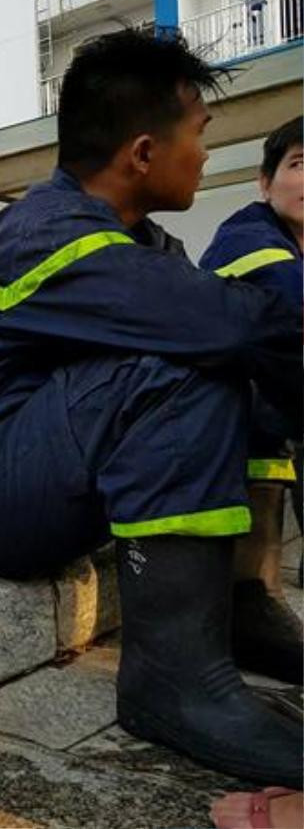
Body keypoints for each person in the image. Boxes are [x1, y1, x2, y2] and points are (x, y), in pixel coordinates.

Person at [0, 29, 303, 788]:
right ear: (144, 153)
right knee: (193, 359)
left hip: (45, 478)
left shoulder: (148, 246)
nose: (206, 157)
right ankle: (174, 682)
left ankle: (242, 604)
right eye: (199, 137)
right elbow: (231, 323)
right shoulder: (42, 232)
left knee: (235, 360)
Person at [198, 116, 303, 686]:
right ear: (264, 183)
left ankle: (259, 594)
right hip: (214, 435)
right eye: (299, 164)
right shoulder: (253, 242)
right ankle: (251, 596)